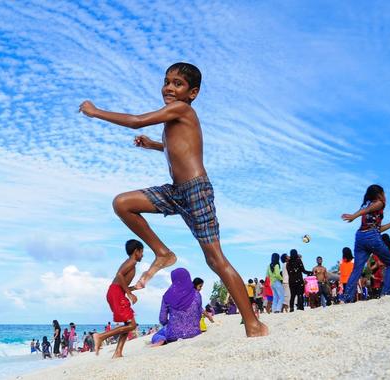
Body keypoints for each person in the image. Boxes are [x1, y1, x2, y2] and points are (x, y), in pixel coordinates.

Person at [79, 62, 267, 337]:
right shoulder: (173, 117)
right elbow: (177, 147)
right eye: (166, 81)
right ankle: (163, 253)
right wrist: (154, 145)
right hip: (175, 192)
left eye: (177, 83)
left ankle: (253, 324)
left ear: (193, 93)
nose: (168, 87)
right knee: (123, 203)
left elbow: (136, 120)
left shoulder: (182, 109)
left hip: (195, 191)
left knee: (215, 259)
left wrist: (95, 112)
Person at [340, 185, 390, 302]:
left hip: (360, 237)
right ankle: (386, 294)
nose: (385, 196)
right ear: (379, 194)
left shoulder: (367, 205)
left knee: (357, 270)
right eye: (383, 193)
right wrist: (354, 216)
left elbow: (378, 228)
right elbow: (368, 213)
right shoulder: (379, 203)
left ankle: (347, 298)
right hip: (371, 237)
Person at [93, 239, 143, 358]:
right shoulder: (132, 262)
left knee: (128, 323)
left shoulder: (130, 262)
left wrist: (134, 288)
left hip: (115, 292)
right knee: (132, 325)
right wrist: (129, 294)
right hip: (116, 293)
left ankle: (118, 352)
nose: (142, 255)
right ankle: (100, 336)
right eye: (141, 252)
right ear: (136, 251)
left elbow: (120, 284)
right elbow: (119, 275)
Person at [156, 268, 203, 345]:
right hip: (195, 332)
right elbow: (199, 315)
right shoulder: (197, 294)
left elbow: (162, 320)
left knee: (157, 335)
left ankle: (161, 340)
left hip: (173, 335)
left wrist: (173, 325)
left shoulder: (167, 296)